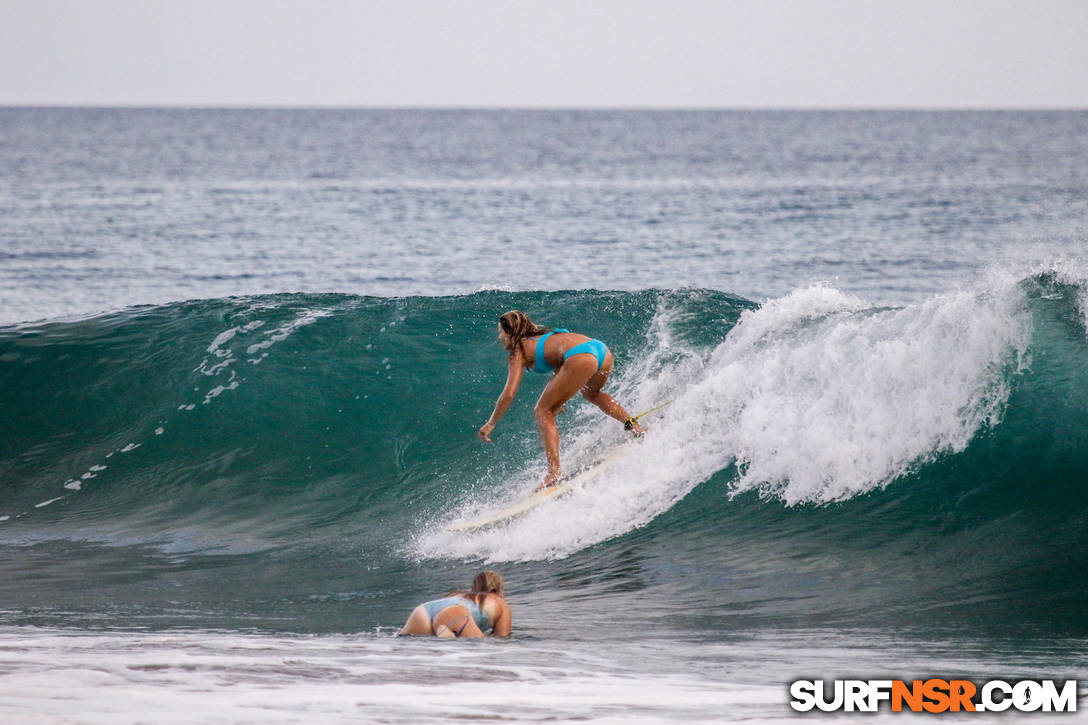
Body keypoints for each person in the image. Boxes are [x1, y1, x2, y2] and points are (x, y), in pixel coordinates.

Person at [478, 310, 644, 490]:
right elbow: (562, 360)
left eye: (500, 332)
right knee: (592, 394)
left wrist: (491, 422)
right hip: (601, 350)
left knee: (542, 411)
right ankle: (635, 426)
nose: (499, 337)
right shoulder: (546, 336)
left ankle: (554, 471)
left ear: (510, 332)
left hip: (581, 357)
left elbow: (509, 394)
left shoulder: (518, 350)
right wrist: (559, 398)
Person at [397, 570, 511, 638]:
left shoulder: (459, 594)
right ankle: (448, 636)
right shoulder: (500, 602)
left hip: (422, 612)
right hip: (455, 614)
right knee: (483, 644)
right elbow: (501, 638)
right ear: (496, 590)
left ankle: (447, 633)